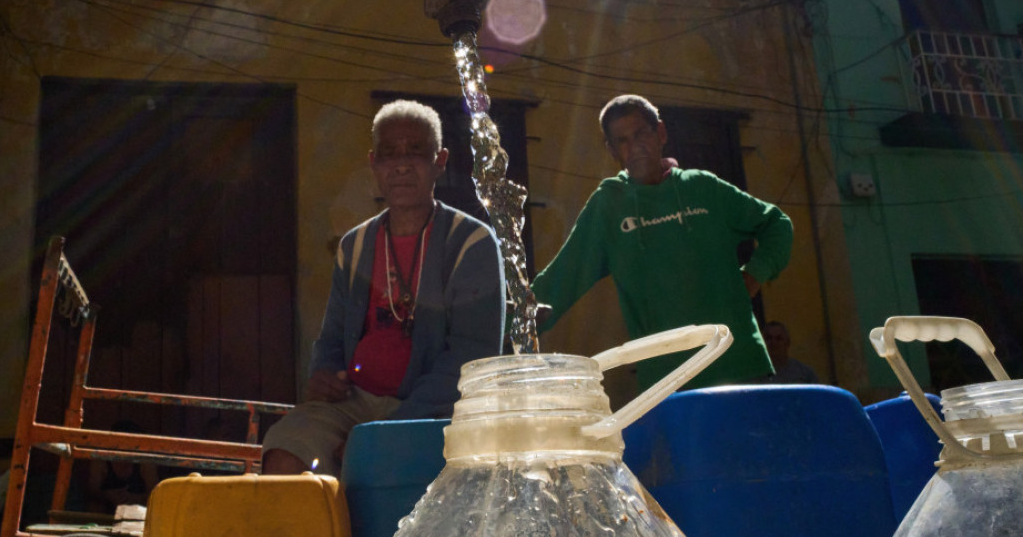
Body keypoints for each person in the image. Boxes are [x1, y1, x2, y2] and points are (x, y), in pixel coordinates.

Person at [262, 100, 505, 477]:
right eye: (390, 154)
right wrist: (325, 372)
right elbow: (331, 339)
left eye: (416, 151)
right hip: (356, 402)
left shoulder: (470, 243)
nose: (402, 165)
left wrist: (379, 436)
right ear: (374, 163)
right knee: (285, 453)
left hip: (433, 409)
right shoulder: (355, 245)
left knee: (376, 468)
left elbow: (471, 358)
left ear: (440, 161)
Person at [531, 94, 793, 391]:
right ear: (612, 150)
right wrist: (508, 322)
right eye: (623, 140)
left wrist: (754, 275)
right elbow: (561, 280)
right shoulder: (608, 207)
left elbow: (777, 225)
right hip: (669, 380)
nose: (636, 146)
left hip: (741, 366)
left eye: (642, 133)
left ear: (661, 133)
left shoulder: (703, 188)